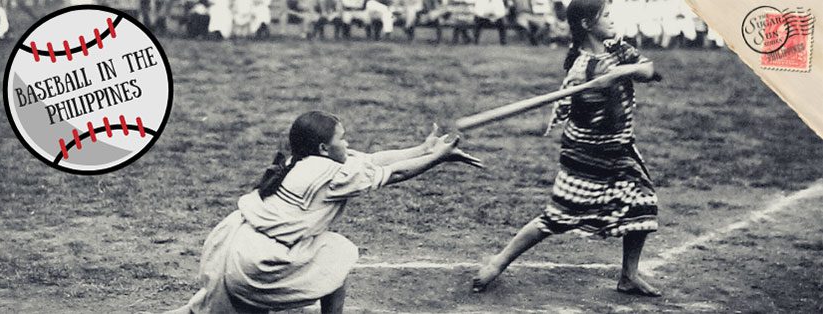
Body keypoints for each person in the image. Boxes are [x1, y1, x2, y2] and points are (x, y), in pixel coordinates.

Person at [169, 111, 482, 313]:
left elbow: (374, 160)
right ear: (323, 147)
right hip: (256, 264)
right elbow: (395, 174)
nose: (347, 144)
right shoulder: (332, 174)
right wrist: (439, 158)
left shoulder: (301, 160)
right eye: (342, 139)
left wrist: (424, 149)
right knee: (336, 252)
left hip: (228, 248)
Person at [472, 0, 663, 297]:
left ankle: (628, 276)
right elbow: (600, 121)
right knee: (557, 218)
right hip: (586, 155)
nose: (612, 21)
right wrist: (603, 85)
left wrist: (620, 73)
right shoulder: (580, 72)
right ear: (587, 24)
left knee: (643, 202)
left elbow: (650, 71)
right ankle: (497, 263)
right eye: (606, 16)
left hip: (620, 149)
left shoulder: (618, 49)